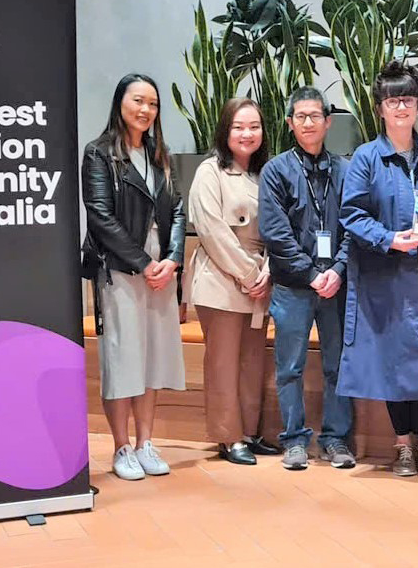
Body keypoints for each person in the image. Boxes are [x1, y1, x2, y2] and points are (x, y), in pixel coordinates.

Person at [338, 60, 418, 483]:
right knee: (395, 360)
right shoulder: (366, 157)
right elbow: (352, 214)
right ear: (380, 108)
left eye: (407, 100)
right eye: (393, 101)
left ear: (417, 106)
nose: (401, 109)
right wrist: (391, 238)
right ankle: (402, 447)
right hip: (387, 275)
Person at [81, 74, 186, 481]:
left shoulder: (161, 154)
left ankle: (146, 443)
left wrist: (173, 259)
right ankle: (121, 446)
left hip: (161, 271)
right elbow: (101, 218)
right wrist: (144, 263)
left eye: (153, 104)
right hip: (123, 270)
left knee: (152, 358)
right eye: (138, 101)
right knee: (123, 359)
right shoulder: (100, 153)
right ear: (120, 103)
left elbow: (177, 210)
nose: (145, 110)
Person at [258, 87, 356, 471]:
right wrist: (314, 275)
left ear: (328, 122)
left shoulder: (346, 170)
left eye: (315, 116)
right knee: (290, 368)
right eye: (300, 116)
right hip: (293, 287)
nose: (308, 123)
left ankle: (336, 439)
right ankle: (294, 440)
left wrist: (337, 269)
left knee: (338, 366)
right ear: (289, 123)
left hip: (336, 285)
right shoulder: (276, 171)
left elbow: (354, 227)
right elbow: (275, 233)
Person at [185, 97, 280, 465]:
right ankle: (229, 437)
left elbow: (279, 228)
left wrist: (268, 270)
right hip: (223, 280)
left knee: (252, 361)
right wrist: (249, 273)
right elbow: (212, 231)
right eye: (239, 126)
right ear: (225, 130)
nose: (247, 133)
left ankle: (250, 432)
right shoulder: (210, 172)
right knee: (223, 362)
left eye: (254, 126)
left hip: (260, 280)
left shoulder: (266, 173)